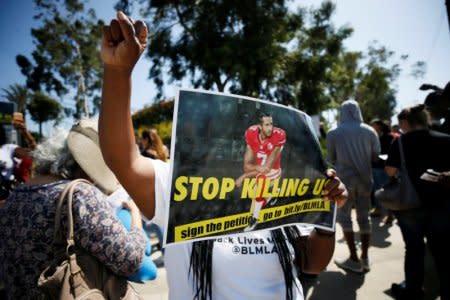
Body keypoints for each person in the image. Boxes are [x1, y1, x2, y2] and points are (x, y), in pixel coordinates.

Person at [99, 11, 348, 300]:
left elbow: (311, 264)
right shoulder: (177, 184)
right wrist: (118, 72)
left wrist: (327, 219)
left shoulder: (283, 189)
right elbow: (122, 158)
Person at [0, 124, 149, 299]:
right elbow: (130, 261)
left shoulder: (14, 196)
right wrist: (135, 218)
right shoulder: (80, 195)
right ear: (84, 165)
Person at [385, 104, 450, 300]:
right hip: (440, 205)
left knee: (413, 250)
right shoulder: (445, 139)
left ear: (406, 122)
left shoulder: (401, 142)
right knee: (442, 253)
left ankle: (413, 292)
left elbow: (390, 171)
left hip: (409, 205)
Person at [326, 99, 381, 273]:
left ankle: (353, 258)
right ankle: (365, 258)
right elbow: (375, 156)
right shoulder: (370, 131)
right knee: (364, 218)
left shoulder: (334, 133)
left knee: (344, 218)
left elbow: (331, 159)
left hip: (345, 181)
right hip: (365, 180)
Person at [235, 111, 286, 231]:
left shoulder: (279, 134)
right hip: (260, 169)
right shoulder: (251, 133)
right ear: (259, 126)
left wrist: (244, 176)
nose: (270, 128)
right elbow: (247, 165)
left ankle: (254, 219)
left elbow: (266, 168)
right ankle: (271, 195)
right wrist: (253, 169)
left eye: (271, 124)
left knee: (259, 186)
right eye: (267, 125)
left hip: (273, 169)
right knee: (255, 191)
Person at [369, 119, 395, 224]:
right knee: (376, 191)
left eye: (373, 125)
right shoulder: (371, 137)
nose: (371, 127)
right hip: (374, 167)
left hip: (385, 167)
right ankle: (378, 209)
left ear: (379, 126)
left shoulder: (389, 137)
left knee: (387, 191)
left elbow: (391, 151)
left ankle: (390, 214)